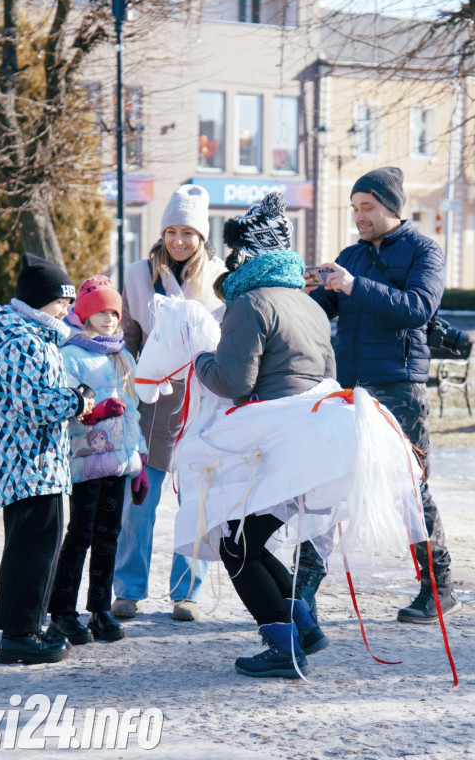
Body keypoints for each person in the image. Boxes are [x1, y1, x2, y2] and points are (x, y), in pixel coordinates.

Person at [297, 166, 461, 624]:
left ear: (392, 208)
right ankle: (303, 589)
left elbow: (418, 309)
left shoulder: (424, 250)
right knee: (326, 483)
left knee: (410, 487)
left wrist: (351, 284)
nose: (358, 216)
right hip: (347, 389)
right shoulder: (350, 254)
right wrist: (294, 292)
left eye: (366, 207)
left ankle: (439, 588)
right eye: (353, 208)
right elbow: (316, 313)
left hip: (399, 386)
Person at [194, 192, 333, 677]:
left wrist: (200, 360)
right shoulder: (308, 304)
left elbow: (234, 382)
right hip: (312, 445)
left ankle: (284, 647)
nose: (228, 267)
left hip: (271, 444)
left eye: (233, 257)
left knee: (234, 545)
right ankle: (304, 628)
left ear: (246, 256)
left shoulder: (250, 302)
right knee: (249, 542)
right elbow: (327, 375)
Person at [112, 184, 225, 622]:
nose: (178, 240)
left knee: (195, 499)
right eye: (172, 230)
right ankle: (129, 587)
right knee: (139, 497)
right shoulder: (140, 273)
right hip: (153, 398)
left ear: (202, 235)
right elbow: (130, 335)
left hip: (203, 397)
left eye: (188, 232)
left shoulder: (219, 274)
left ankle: (187, 591)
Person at [0, 252, 94, 664]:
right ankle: (19, 635)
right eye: (61, 300)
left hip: (35, 464)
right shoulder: (22, 340)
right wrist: (77, 399)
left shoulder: (31, 336)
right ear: (36, 300)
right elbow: (35, 402)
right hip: (28, 465)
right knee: (34, 550)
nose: (67, 307)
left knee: (35, 548)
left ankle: (27, 627)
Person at [48, 276, 148, 644]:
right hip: (86, 462)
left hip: (118, 465)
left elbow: (134, 411)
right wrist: (94, 412)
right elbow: (68, 410)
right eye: (101, 311)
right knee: (81, 534)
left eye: (114, 312)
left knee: (110, 535)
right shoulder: (71, 355)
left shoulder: (123, 356)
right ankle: (62, 611)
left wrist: (138, 459)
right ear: (85, 314)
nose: (109, 319)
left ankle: (99, 608)